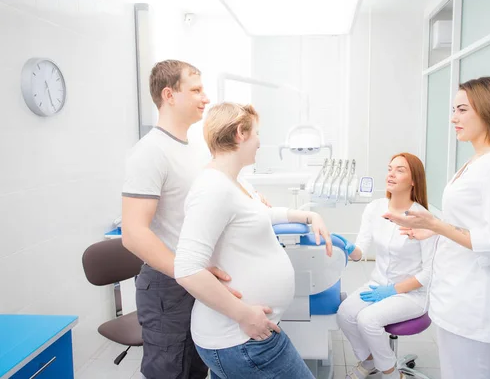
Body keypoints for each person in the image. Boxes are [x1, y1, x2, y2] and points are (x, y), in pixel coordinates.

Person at [174, 102, 333, 379]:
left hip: (242, 336)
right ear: (240, 133)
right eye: (256, 133)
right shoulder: (213, 188)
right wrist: (244, 315)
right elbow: (186, 269)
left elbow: (262, 214)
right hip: (242, 337)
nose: (259, 142)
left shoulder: (235, 182)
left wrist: (308, 216)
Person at [384, 77, 490, 379]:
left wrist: (433, 223)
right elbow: (468, 224)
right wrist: (430, 231)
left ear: (488, 110)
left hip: (474, 299)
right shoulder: (478, 159)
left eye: (461, 109)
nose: (453, 118)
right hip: (456, 293)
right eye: (453, 110)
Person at [122, 60, 237, 379]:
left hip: (195, 278)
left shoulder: (196, 149)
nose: (206, 98)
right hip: (168, 285)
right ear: (169, 95)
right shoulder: (150, 152)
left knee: (197, 367)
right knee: (171, 371)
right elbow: (132, 233)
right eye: (196, 90)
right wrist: (188, 272)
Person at [336, 153, 436, 379]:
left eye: (400, 170)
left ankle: (391, 374)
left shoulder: (423, 218)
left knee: (367, 319)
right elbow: (360, 251)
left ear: (413, 180)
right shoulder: (375, 208)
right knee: (344, 314)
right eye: (390, 168)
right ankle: (369, 360)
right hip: (377, 284)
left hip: (412, 294)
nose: (391, 173)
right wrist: (349, 248)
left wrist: (393, 290)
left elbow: (429, 273)